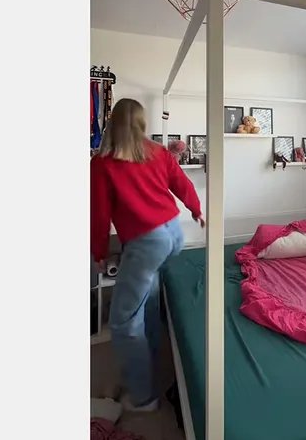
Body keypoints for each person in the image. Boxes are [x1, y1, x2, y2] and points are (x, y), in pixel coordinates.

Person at [91, 98, 205, 412]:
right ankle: (152, 355)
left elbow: (98, 214)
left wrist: (98, 252)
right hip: (174, 234)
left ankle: (143, 397)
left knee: (123, 322)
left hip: (148, 242)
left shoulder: (103, 163)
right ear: (142, 124)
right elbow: (182, 184)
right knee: (149, 296)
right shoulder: (157, 152)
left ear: (112, 123)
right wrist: (196, 210)